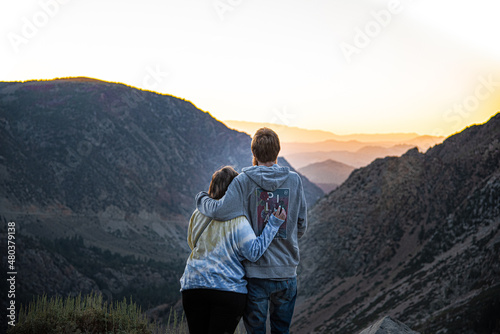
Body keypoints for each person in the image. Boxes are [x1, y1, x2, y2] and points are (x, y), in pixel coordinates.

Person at [196, 128, 307, 334]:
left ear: (253, 153)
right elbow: (301, 224)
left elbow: (219, 211)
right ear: (277, 151)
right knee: (281, 330)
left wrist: (201, 198)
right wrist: (284, 240)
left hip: (256, 275)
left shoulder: (243, 182)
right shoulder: (294, 181)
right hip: (286, 272)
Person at [180, 165, 287, 334]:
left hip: (193, 286)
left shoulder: (198, 214)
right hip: (227, 290)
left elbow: (192, 243)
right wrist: (274, 224)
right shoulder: (238, 220)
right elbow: (253, 253)